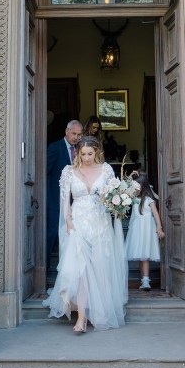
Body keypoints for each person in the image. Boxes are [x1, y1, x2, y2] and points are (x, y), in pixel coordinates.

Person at [43, 136, 128, 332]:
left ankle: (98, 312)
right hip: (78, 224)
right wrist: (69, 223)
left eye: (90, 154)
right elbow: (65, 202)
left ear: (96, 152)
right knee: (80, 271)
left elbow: (114, 194)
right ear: (77, 153)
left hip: (100, 225)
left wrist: (120, 202)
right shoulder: (68, 172)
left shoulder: (106, 170)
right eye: (83, 154)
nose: (87, 158)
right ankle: (80, 319)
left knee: (99, 268)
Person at [46, 119, 83, 269]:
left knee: (73, 233)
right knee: (53, 232)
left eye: (79, 135)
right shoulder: (55, 147)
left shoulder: (82, 150)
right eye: (74, 133)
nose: (76, 137)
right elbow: (46, 173)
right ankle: (46, 267)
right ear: (66, 132)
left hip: (76, 201)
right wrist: (48, 197)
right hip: (56, 199)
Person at [125, 171, 165, 290]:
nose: (135, 189)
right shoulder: (134, 199)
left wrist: (159, 228)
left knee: (144, 256)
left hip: (147, 229)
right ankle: (144, 280)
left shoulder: (148, 199)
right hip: (137, 229)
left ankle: (146, 281)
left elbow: (156, 215)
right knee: (140, 255)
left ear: (143, 187)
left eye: (137, 187)